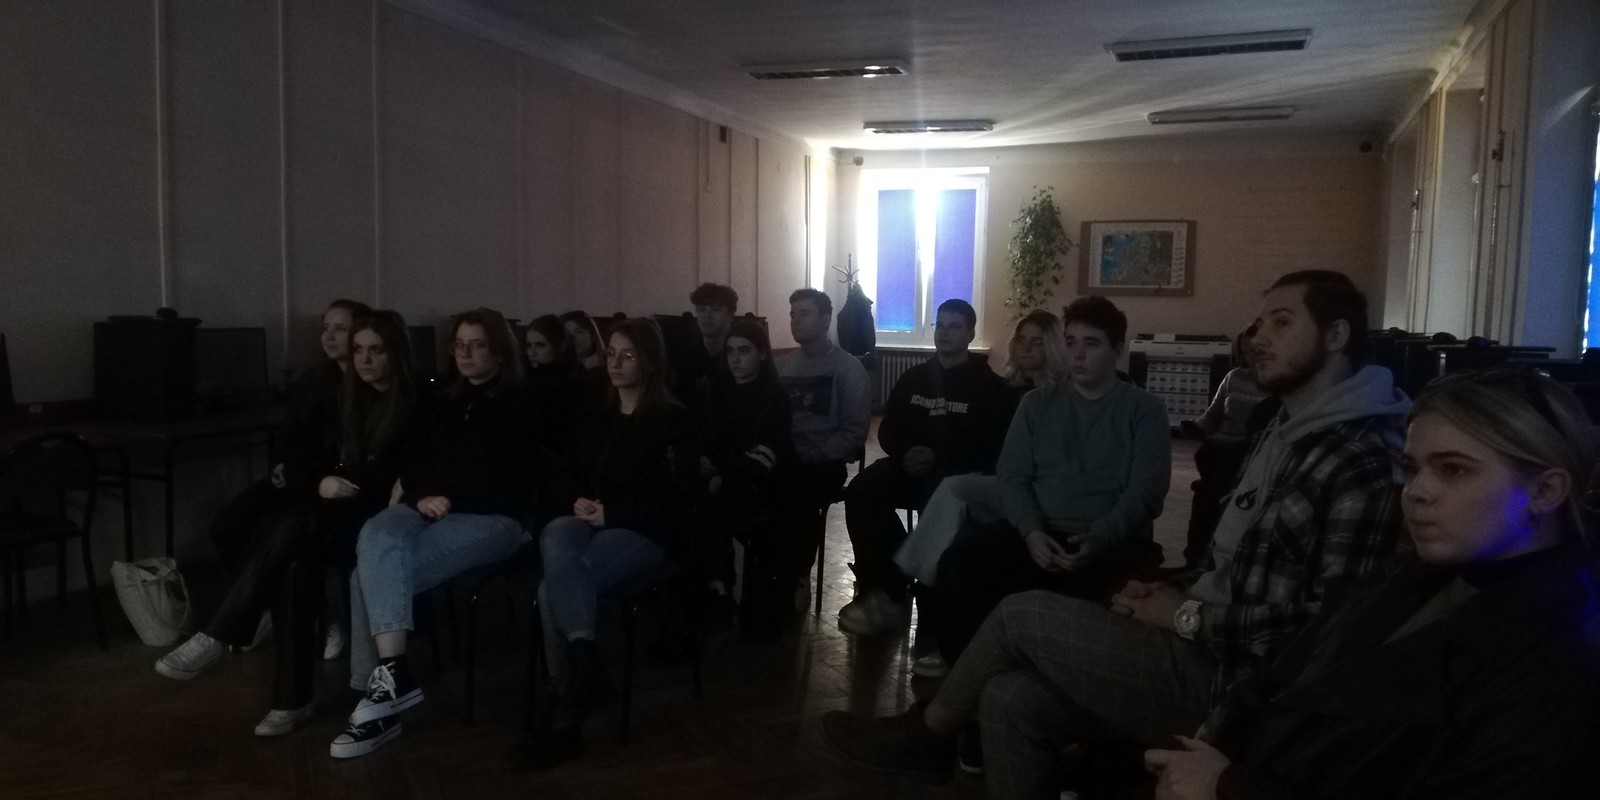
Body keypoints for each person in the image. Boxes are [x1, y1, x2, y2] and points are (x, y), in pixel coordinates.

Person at [822, 271, 1411, 795]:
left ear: (1336, 335)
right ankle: (961, 720)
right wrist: (1168, 586)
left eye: (1281, 322)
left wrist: (1180, 611)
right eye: (1260, 323)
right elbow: (1227, 562)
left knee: (1022, 612)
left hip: (1236, 677)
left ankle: (929, 734)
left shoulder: (1359, 460)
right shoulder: (1281, 429)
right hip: (1173, 614)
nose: (1258, 337)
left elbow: (1332, 634)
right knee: (1001, 678)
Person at [1145, 367, 1600, 800]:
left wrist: (1227, 786)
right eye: (1413, 468)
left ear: (1545, 491)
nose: (1416, 491)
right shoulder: (1413, 574)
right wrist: (1217, 749)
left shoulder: (1556, 666)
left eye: (1454, 469)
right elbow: (1284, 670)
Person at [156, 311, 418, 738]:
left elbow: (405, 472)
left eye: (376, 350)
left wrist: (344, 482)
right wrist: (320, 480)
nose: (365, 360)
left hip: (379, 521)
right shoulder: (345, 398)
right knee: (294, 562)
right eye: (358, 350)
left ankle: (220, 633)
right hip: (335, 514)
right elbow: (301, 461)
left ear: (396, 354)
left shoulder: (416, 403)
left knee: (293, 527)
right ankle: (290, 701)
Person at [329, 307, 537, 759]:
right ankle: (391, 682)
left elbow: (498, 476)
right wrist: (422, 493)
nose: (465, 353)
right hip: (428, 505)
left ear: (500, 351)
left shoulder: (522, 404)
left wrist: (439, 492)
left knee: (365, 576)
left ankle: (375, 700)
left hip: (492, 518)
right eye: (458, 344)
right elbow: (413, 460)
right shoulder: (441, 400)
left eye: (476, 345)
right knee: (377, 530)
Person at [928, 296, 1170, 667]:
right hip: (1041, 531)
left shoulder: (1145, 410)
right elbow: (1013, 477)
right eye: (1071, 343)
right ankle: (967, 669)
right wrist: (1031, 532)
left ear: (1117, 350)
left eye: (1091, 344)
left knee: (1125, 606)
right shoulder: (1036, 404)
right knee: (958, 564)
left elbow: (1146, 493)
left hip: (1113, 541)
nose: (1078, 354)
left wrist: (1100, 537)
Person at [511, 317, 699, 770]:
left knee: (549, 591)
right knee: (555, 531)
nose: (614, 363)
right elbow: (570, 473)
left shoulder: (673, 420)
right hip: (590, 523)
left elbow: (677, 498)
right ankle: (585, 668)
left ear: (649, 363)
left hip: (644, 530)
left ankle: (565, 711)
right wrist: (576, 500)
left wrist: (612, 512)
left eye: (627, 355)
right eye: (611, 353)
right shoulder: (598, 417)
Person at [891, 309, 1070, 675]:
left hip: (1036, 489)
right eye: (1022, 340)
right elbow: (989, 446)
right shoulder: (1005, 391)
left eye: (1038, 342)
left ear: (1054, 347)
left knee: (954, 503)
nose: (1027, 348)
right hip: (1000, 480)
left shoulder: (1060, 395)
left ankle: (915, 585)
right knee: (951, 490)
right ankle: (920, 589)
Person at [837, 298, 1009, 637]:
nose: (944, 333)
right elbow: (888, 429)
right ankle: (883, 581)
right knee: (862, 490)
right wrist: (905, 453)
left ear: (970, 333)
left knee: (939, 495)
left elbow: (989, 446)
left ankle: (917, 598)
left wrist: (938, 457)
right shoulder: (914, 378)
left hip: (955, 473)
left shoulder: (989, 386)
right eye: (939, 325)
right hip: (908, 465)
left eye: (954, 326)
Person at [206, 298, 371, 650]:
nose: (329, 336)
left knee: (287, 530)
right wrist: (282, 465)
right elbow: (290, 435)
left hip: (331, 483)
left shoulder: (369, 384)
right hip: (299, 477)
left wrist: (303, 472)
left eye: (340, 329)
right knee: (228, 524)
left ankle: (319, 613)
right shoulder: (315, 378)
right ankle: (265, 605)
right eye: (325, 328)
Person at [695, 319, 795, 641]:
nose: (735, 359)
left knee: (711, 510)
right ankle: (708, 593)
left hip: (759, 487)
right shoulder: (712, 392)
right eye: (730, 351)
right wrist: (701, 461)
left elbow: (765, 456)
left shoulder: (775, 398)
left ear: (762, 354)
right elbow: (698, 438)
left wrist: (722, 475)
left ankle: (718, 590)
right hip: (715, 480)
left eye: (744, 351)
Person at [777, 288, 871, 610]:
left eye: (804, 313)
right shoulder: (781, 367)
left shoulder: (848, 369)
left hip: (823, 464)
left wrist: (812, 455)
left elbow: (854, 432)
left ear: (826, 319)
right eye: (793, 314)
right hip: (785, 460)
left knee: (796, 494)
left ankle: (797, 576)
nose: (795, 320)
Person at [1180, 325, 1268, 568]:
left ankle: (1205, 560)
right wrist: (1196, 427)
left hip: (1248, 453)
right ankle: (1193, 559)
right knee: (1205, 496)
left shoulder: (1276, 384)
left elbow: (1259, 439)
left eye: (1254, 352)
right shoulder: (1234, 377)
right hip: (1218, 449)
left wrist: (1214, 440)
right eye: (1245, 352)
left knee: (1210, 497)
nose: (1249, 359)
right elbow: (1212, 415)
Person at [524, 313, 587, 449]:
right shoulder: (530, 378)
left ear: (560, 346)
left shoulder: (571, 383)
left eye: (540, 345)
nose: (532, 353)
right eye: (529, 345)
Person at [673, 282, 739, 408]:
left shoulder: (740, 359)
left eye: (716, 309)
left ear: (730, 316)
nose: (707, 315)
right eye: (701, 309)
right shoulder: (686, 360)